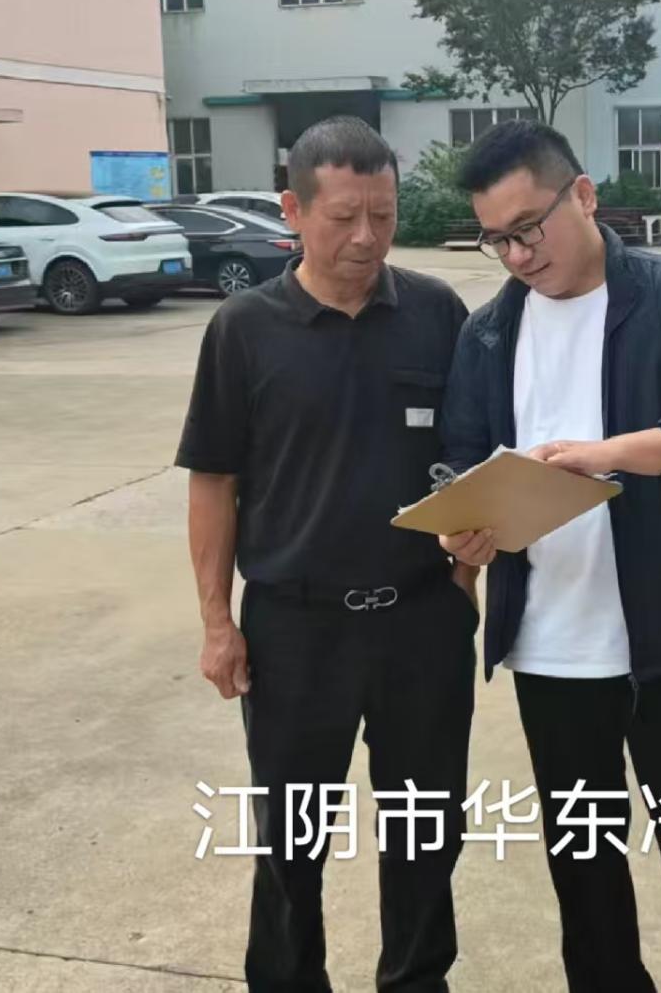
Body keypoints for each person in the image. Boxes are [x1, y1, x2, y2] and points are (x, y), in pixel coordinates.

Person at [439, 120, 661, 992]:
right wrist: (464, 534)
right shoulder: (488, 334)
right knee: (585, 879)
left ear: (583, 196)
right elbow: (461, 459)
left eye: (529, 228)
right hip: (551, 651)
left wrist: (614, 454)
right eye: (496, 239)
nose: (518, 256)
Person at [177, 116, 478, 993]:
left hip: (420, 623)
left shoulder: (435, 314)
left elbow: (473, 457)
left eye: (384, 215)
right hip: (295, 629)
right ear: (294, 210)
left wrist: (464, 574)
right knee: (289, 839)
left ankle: (416, 981)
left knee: (427, 833)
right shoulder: (244, 329)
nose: (367, 238)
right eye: (345, 217)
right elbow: (214, 481)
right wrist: (217, 624)